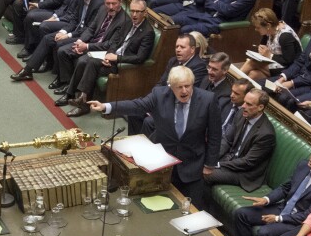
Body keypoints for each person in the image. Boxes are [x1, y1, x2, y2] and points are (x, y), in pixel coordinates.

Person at [88, 65, 222, 203]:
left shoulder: (208, 100)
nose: (184, 91)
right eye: (179, 87)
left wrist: (209, 164)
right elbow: (136, 105)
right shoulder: (159, 95)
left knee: (191, 208)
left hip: (192, 165)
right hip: (162, 161)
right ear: (171, 86)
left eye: (187, 86)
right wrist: (106, 106)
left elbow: (215, 134)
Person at [57, 0, 156, 117]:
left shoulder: (148, 32)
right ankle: (72, 94)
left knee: (91, 63)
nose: (134, 14)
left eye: (138, 12)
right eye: (132, 11)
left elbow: (140, 58)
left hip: (124, 66)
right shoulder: (128, 22)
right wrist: (109, 55)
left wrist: (116, 58)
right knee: (84, 62)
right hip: (112, 59)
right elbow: (115, 43)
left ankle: (83, 102)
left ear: (145, 13)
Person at [10, 0, 125, 88]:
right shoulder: (102, 9)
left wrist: (83, 43)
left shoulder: (123, 19)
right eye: (108, 3)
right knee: (48, 38)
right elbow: (90, 28)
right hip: (83, 37)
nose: (110, 7)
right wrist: (79, 40)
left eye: (113, 4)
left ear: (120, 2)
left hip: (94, 45)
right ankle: (28, 70)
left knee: (61, 46)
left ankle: (63, 81)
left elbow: (109, 42)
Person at [203, 88, 276, 193]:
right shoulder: (241, 114)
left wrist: (217, 164)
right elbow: (227, 140)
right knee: (199, 160)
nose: (243, 106)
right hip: (229, 159)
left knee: (206, 173)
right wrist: (212, 158)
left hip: (244, 173)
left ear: (260, 107)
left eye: (249, 104)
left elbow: (247, 162)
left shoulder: (266, 134)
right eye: (244, 102)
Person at [240, 8, 301, 82]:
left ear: (268, 25)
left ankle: (233, 83)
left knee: (252, 62)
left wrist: (270, 55)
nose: (256, 29)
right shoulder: (270, 30)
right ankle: (239, 91)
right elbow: (263, 45)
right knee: (253, 75)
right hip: (275, 64)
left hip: (289, 68)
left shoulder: (285, 36)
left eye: (258, 27)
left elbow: (289, 60)